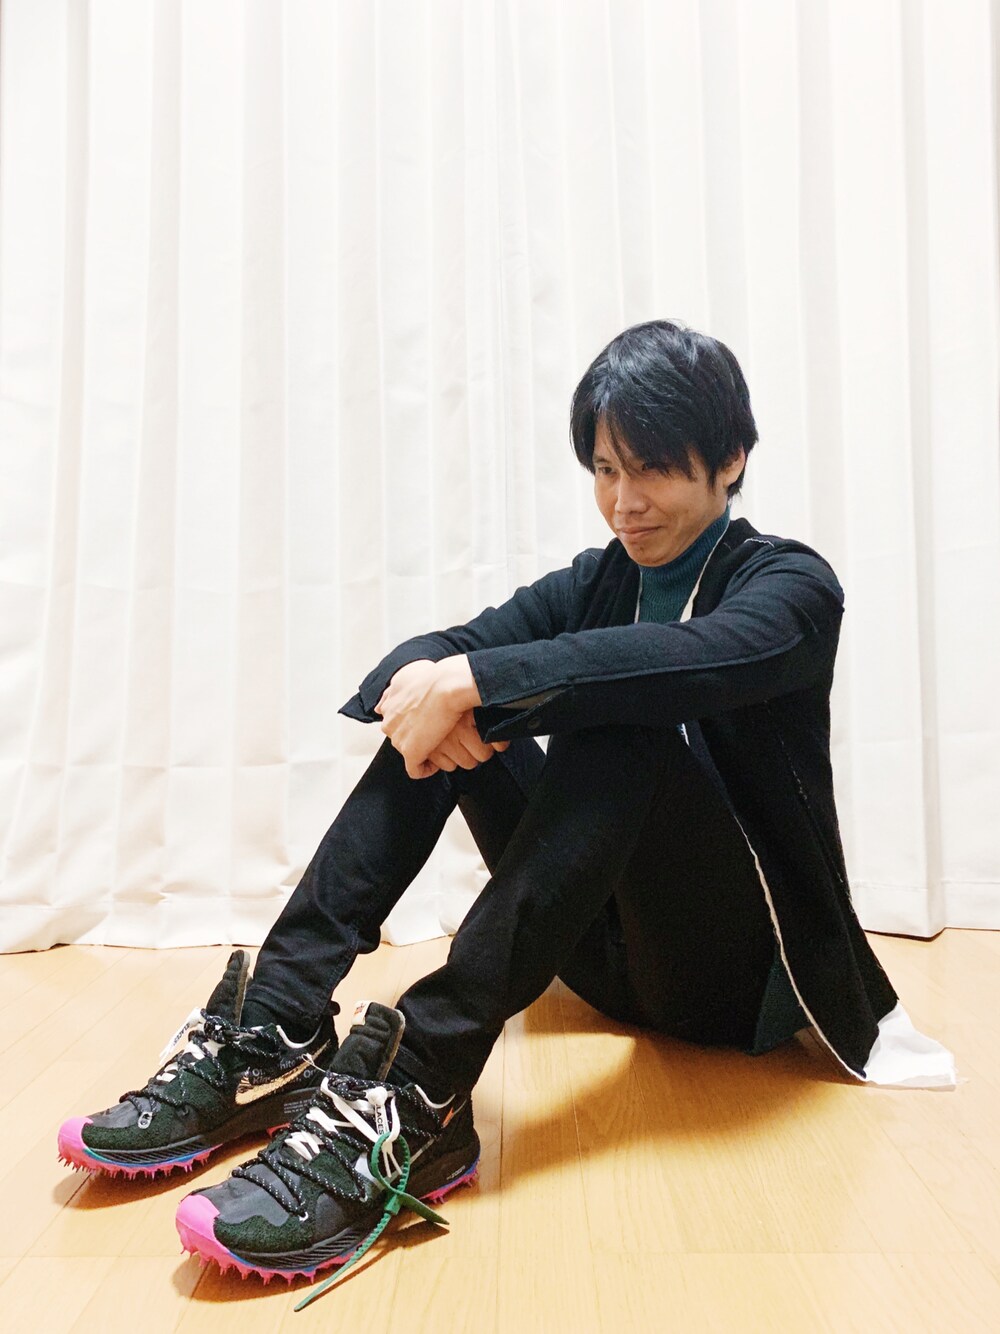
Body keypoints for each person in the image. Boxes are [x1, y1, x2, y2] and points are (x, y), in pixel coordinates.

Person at [57, 320, 956, 1294]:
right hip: (602, 959)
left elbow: (685, 662)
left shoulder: (790, 585)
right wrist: (441, 687)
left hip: (732, 979)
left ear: (731, 457)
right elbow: (429, 655)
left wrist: (476, 682)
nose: (622, 501)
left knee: (613, 711)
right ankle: (272, 1027)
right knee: (451, 717)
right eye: (604, 469)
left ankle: (417, 1085)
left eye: (651, 468)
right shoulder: (599, 580)